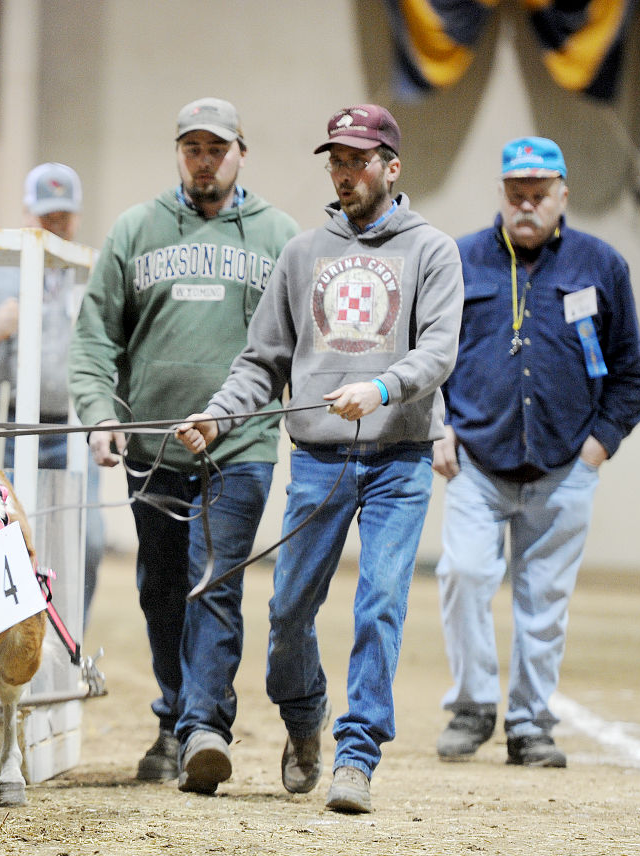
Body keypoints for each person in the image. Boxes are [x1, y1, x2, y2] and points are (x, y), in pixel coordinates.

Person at [177, 104, 463, 813]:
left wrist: (384, 385)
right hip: (317, 461)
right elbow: (261, 360)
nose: (344, 174)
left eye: (358, 161)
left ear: (391, 168)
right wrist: (220, 416)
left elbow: (439, 351)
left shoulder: (433, 251)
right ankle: (303, 713)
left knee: (381, 605)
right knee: (288, 613)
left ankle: (357, 753)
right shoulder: (303, 254)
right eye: (335, 161)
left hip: (399, 461)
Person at [68, 97, 299, 793]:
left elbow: (299, 342)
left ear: (241, 153)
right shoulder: (136, 230)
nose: (205, 160)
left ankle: (205, 726)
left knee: (213, 584)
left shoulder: (279, 236)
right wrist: (99, 410)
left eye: (217, 148)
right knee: (161, 587)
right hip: (153, 449)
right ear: (179, 153)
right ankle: (173, 715)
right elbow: (94, 336)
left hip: (242, 446)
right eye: (192, 148)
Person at [433, 137, 640, 768]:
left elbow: (632, 374)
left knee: (543, 603)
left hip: (565, 469)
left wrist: (597, 448)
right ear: (501, 194)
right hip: (476, 462)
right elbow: (429, 358)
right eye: (514, 193)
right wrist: (436, 426)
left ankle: (530, 724)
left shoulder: (601, 265)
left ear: (563, 195)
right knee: (465, 575)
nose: (525, 205)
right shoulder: (460, 260)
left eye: (538, 194)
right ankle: (473, 706)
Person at [0, 162, 104, 623]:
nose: (55, 225)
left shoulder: (88, 272)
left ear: (77, 216)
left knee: (84, 540)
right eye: (46, 215)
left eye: (64, 216)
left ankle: (67, 647)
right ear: (28, 212)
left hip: (68, 426)